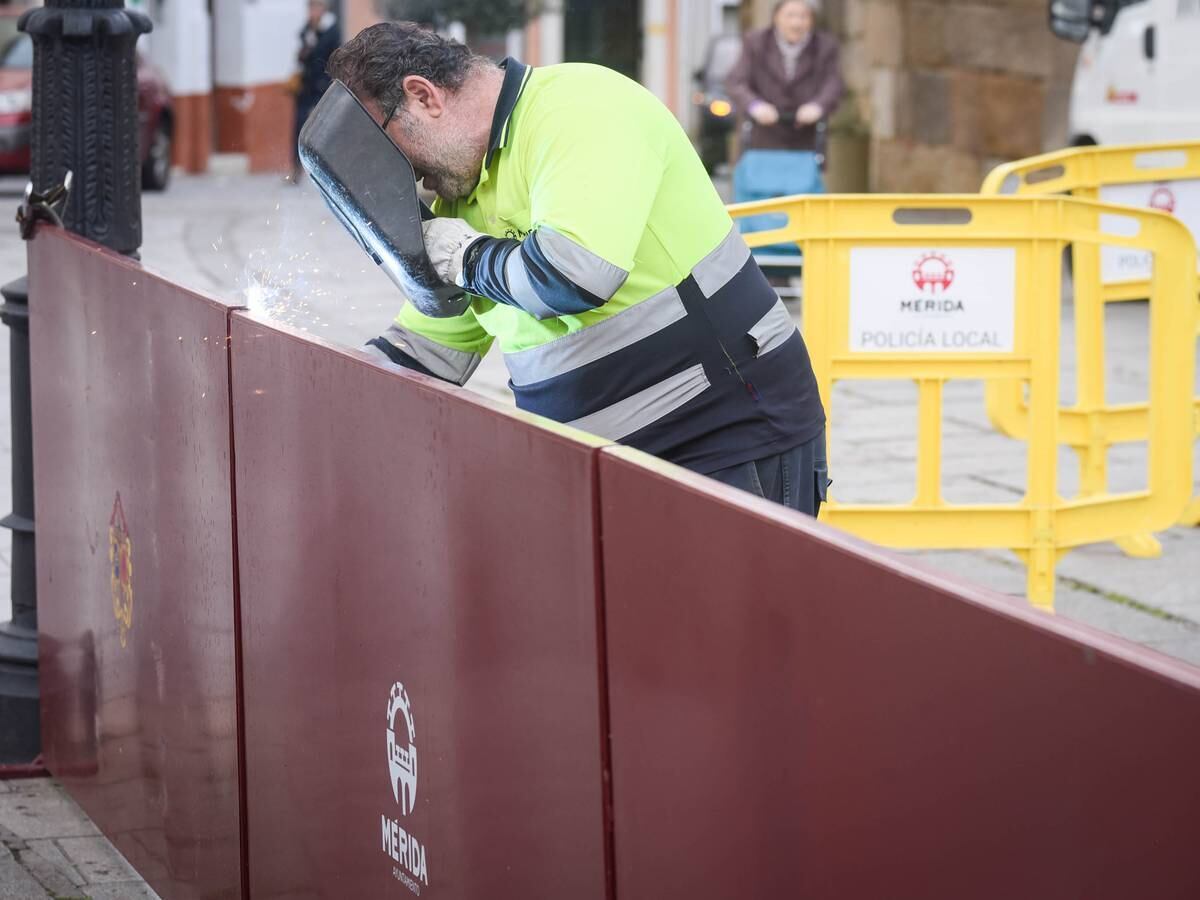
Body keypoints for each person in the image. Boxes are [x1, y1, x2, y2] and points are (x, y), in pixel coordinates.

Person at [326, 24, 830, 515]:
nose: (405, 175)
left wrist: (465, 257)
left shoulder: (579, 109)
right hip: (601, 466)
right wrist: (324, 394)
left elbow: (574, 277)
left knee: (738, 604)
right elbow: (423, 352)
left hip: (726, 440)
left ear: (424, 97)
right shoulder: (465, 193)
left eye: (390, 150)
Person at [725, 0, 843, 266]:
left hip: (804, 139)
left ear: (811, 20)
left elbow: (834, 84)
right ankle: (758, 257)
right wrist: (756, 106)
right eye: (790, 15)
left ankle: (799, 256)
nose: (796, 23)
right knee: (758, 200)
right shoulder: (755, 43)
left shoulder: (825, 47)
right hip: (762, 138)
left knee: (802, 197)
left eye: (803, 16)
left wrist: (817, 106)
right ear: (777, 17)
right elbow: (736, 81)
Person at [293, 0, 341, 182]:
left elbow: (330, 56)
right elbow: (302, 54)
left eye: (316, 7)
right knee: (298, 126)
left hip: (322, 88)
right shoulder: (307, 29)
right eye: (310, 7)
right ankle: (296, 168)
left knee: (324, 130)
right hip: (305, 87)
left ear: (323, 9)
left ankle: (328, 171)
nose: (312, 12)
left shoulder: (331, 30)